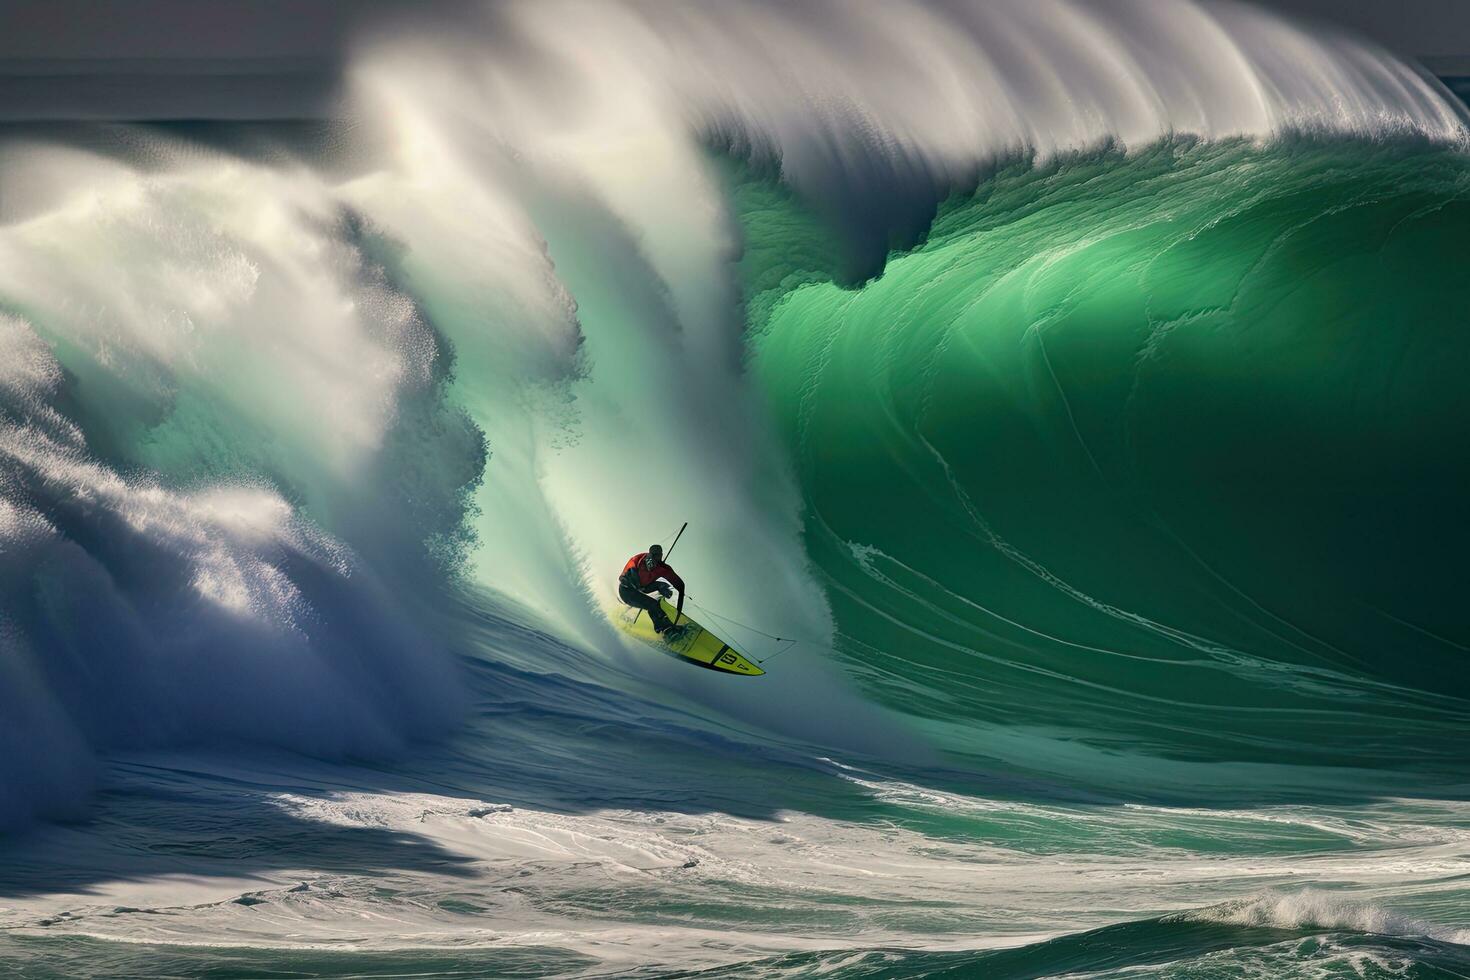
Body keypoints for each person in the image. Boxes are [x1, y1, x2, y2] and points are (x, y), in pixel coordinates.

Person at [619, 543, 686, 635]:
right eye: (652, 556)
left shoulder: (663, 569)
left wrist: (680, 594)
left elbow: (679, 584)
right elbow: (623, 577)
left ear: (661, 556)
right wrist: (630, 580)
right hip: (626, 592)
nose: (653, 560)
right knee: (653, 604)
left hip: (643, 588)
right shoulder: (638, 559)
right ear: (649, 554)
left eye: (657, 556)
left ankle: (666, 624)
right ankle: (665, 629)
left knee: (662, 586)